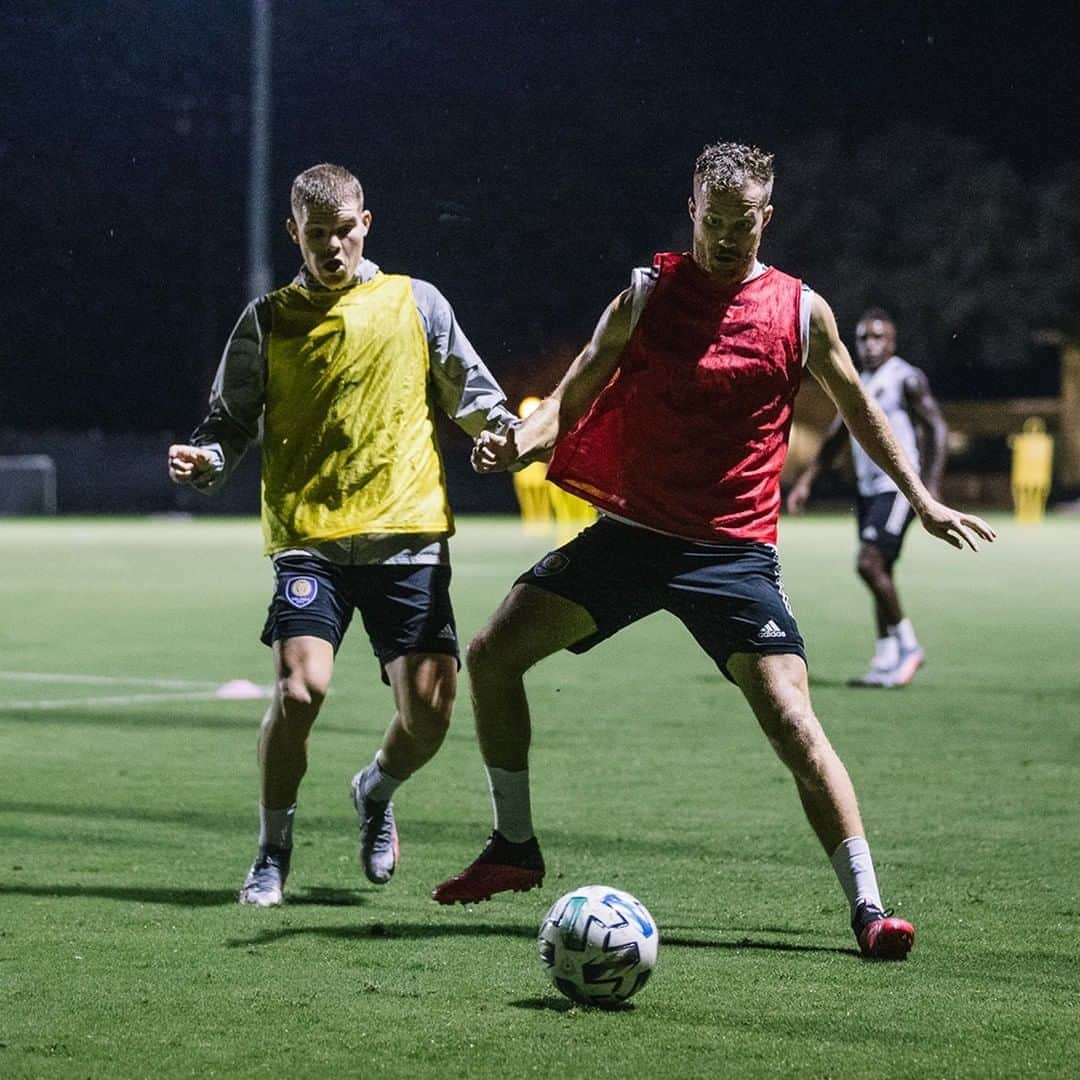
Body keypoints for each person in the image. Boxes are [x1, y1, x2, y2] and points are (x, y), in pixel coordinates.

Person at [431, 142, 995, 959]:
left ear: (767, 218)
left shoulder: (802, 312)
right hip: (631, 539)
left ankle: (870, 909)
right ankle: (513, 847)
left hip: (732, 557)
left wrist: (920, 497)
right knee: (490, 656)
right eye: (714, 222)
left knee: (795, 723)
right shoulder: (647, 294)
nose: (728, 239)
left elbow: (860, 408)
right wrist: (518, 440)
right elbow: (573, 393)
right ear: (691, 209)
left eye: (745, 226)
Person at [168, 163, 517, 907]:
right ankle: (272, 852)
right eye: (315, 233)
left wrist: (504, 437)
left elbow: (476, 394)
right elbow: (228, 423)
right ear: (294, 232)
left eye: (343, 230)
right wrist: (206, 462)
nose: (331, 246)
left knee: (427, 719)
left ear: (367, 223)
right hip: (312, 538)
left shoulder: (415, 302)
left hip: (408, 536)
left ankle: (375, 790)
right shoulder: (266, 319)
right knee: (301, 691)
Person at [786, 309, 949, 687]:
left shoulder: (905, 379)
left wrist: (932, 484)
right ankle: (886, 657)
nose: (870, 345)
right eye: (863, 338)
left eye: (878, 338)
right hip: (868, 490)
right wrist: (808, 479)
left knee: (869, 563)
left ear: (892, 342)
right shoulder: (858, 381)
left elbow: (936, 427)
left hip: (898, 489)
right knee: (881, 569)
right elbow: (837, 433)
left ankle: (907, 646)